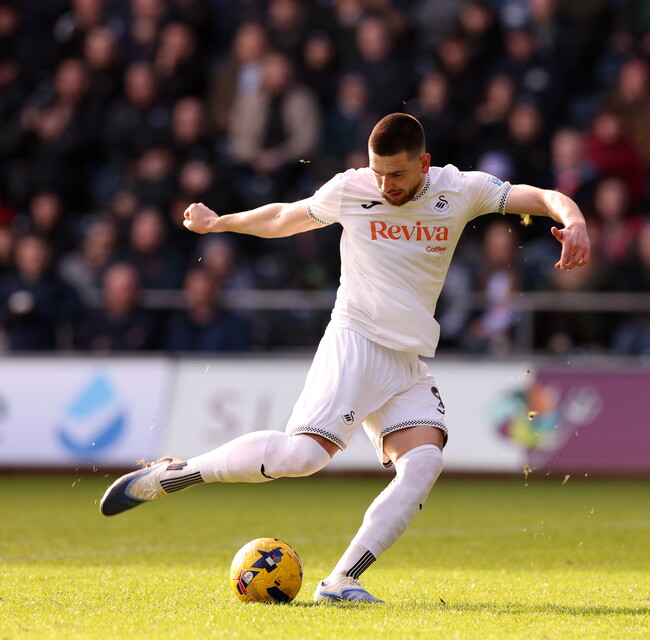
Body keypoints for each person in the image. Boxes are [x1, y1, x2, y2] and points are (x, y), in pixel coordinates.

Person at [98, 114, 590, 603]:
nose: (385, 184)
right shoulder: (351, 189)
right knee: (303, 458)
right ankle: (175, 474)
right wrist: (219, 223)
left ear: (424, 163)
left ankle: (340, 581)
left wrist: (575, 222)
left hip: (407, 356)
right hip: (356, 339)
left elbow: (542, 197)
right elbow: (282, 217)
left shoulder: (460, 190)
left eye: (397, 174)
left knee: (423, 463)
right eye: (378, 171)